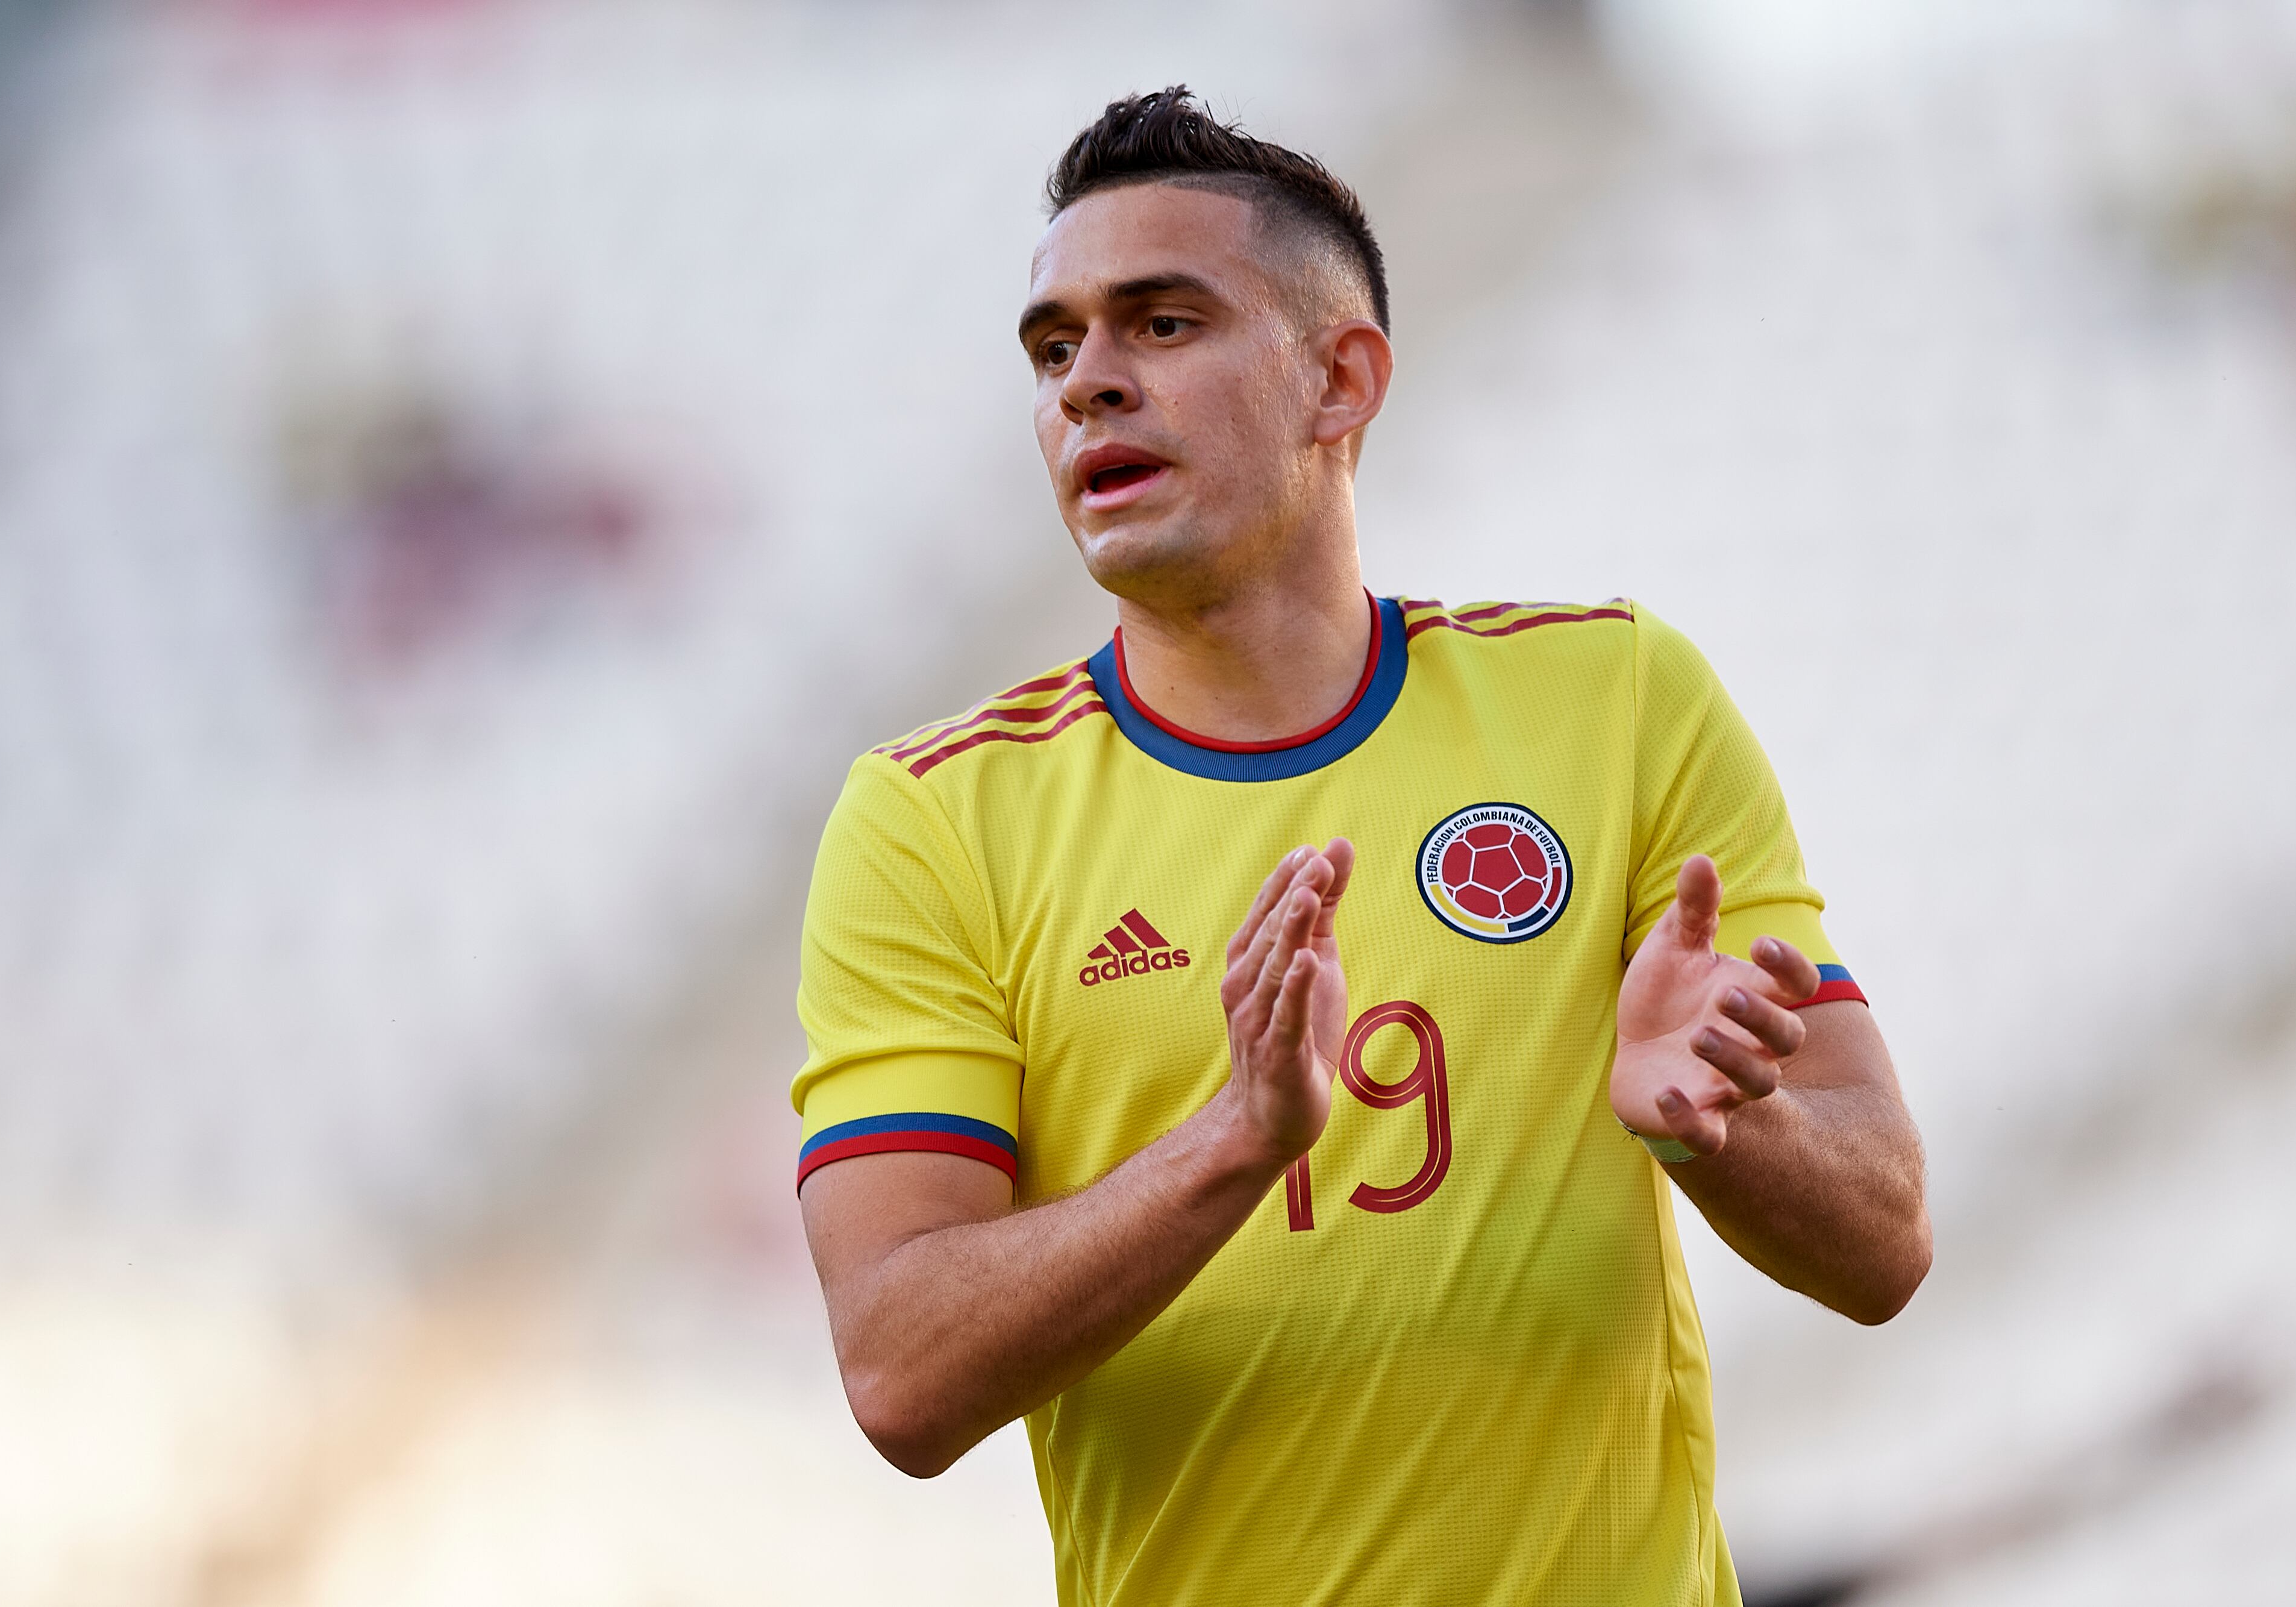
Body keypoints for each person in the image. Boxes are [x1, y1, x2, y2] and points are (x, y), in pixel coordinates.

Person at [790, 87, 1929, 1607]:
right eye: (1054, 347)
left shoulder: (1615, 697)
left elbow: (1885, 1240)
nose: (1087, 386)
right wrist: (1236, 1141)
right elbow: (898, 1371)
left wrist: (1719, 1132)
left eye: (1161, 324)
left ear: (1340, 376)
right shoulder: (931, 818)